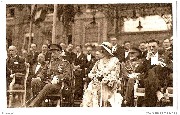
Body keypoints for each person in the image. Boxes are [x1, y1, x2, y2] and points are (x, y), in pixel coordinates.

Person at [82, 42, 122, 107]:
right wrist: (95, 76)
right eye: (101, 50)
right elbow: (91, 73)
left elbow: (116, 74)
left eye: (102, 50)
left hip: (110, 84)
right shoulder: (99, 62)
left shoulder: (115, 61)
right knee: (91, 89)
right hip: (97, 83)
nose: (99, 52)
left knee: (104, 90)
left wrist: (107, 79)